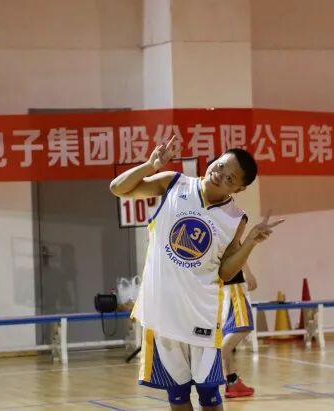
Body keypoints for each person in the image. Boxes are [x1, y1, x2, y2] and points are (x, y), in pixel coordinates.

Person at [109, 137, 283, 411]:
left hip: (202, 316)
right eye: (221, 165)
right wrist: (150, 165)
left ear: (239, 188)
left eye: (230, 177)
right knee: (177, 396)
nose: (220, 174)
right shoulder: (174, 183)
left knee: (209, 395)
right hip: (163, 313)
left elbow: (225, 271)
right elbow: (118, 188)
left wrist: (250, 242)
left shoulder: (235, 218)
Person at [221, 263, 257, 398]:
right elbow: (235, 251)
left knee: (228, 334)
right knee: (242, 328)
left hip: (221, 287)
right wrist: (248, 273)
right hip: (233, 286)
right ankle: (207, 371)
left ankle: (232, 381)